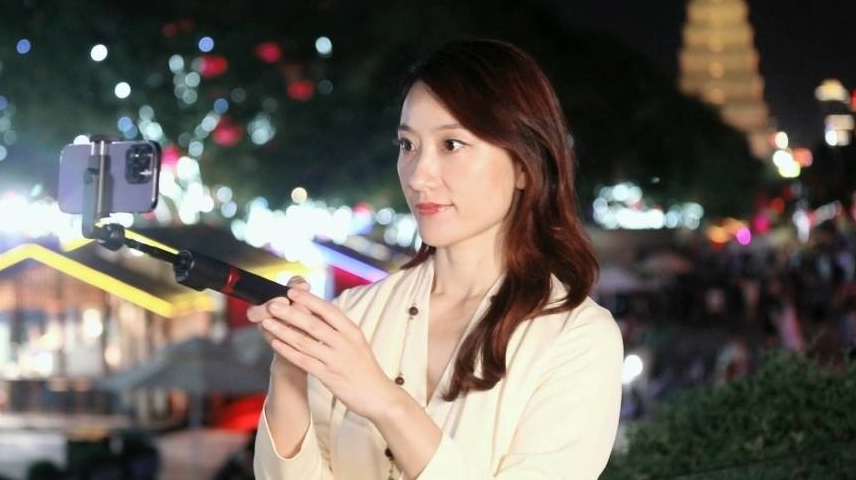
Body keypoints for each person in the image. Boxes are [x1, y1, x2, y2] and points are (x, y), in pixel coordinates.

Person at [248, 37, 623, 479]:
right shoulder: (354, 315)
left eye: (451, 145)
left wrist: (383, 399)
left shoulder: (576, 339)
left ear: (524, 165)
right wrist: (290, 368)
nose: (418, 175)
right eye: (408, 145)